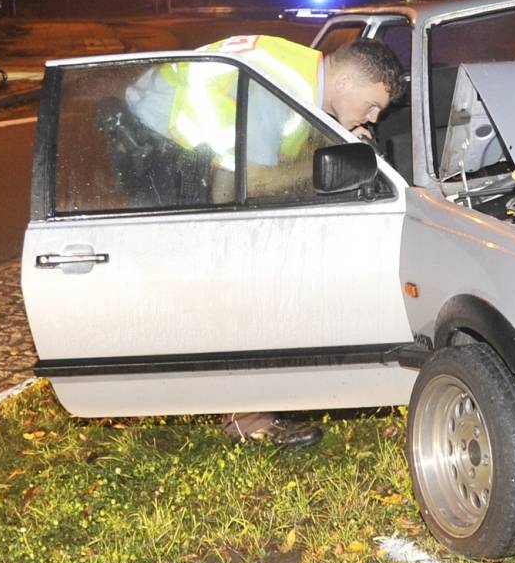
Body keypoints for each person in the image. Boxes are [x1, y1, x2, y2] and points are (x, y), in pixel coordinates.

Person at [122, 35, 405, 448]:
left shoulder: (304, 70)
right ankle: (248, 417)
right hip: (159, 156)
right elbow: (244, 184)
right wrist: (323, 170)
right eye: (372, 105)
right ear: (344, 84)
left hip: (162, 137)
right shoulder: (276, 90)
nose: (375, 118)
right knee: (241, 272)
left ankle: (253, 394)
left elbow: (271, 152)